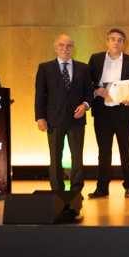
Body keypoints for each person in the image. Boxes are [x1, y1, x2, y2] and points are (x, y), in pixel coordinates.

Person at [87, 28, 129, 199]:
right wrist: (96, 90)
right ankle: (102, 188)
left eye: (120, 40)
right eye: (113, 39)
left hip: (124, 112)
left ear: (124, 44)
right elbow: (86, 83)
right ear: (107, 42)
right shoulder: (95, 59)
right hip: (102, 112)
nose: (116, 42)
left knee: (126, 151)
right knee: (103, 151)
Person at [34, 34, 93, 194]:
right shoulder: (45, 68)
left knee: (77, 158)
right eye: (61, 45)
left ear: (73, 48)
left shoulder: (83, 68)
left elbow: (89, 92)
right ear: (55, 47)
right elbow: (40, 95)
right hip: (54, 119)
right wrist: (40, 117)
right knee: (55, 158)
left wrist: (85, 105)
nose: (65, 49)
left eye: (68, 46)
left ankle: (76, 191)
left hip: (77, 118)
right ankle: (57, 191)